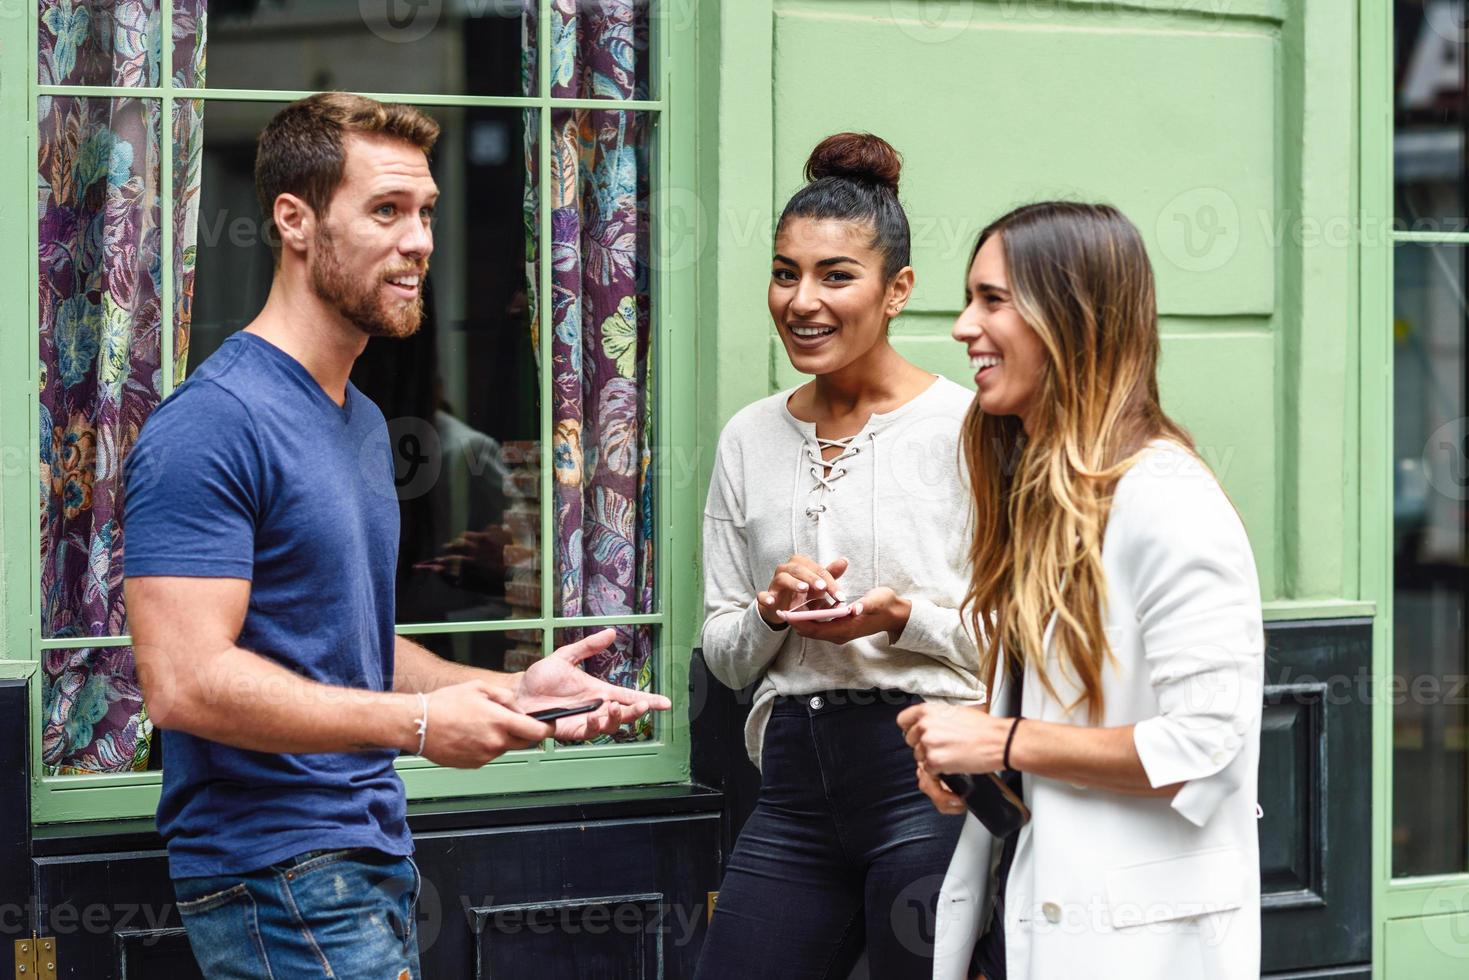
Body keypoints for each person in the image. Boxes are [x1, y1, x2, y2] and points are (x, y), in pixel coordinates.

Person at [122, 92, 670, 980]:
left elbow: (346, 646)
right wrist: (418, 726)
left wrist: (505, 692)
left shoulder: (360, 418)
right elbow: (184, 683)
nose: (418, 240)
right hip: (278, 874)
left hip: (364, 860)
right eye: (386, 211)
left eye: (425, 213)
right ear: (294, 222)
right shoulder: (212, 425)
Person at [898, 202, 1263, 979]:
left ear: (1071, 317)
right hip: (1029, 912)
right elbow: (1072, 712)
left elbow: (1207, 746)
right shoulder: (1048, 493)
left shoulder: (1167, 498)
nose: (963, 327)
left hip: (1133, 937)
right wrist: (983, 755)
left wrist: (1000, 743)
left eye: (992, 300)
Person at [694, 133, 990, 980]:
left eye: (835, 276)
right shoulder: (749, 436)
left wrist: (905, 617)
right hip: (790, 780)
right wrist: (766, 611)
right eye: (785, 272)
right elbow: (721, 653)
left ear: (896, 290)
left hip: (929, 772)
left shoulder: (970, 429)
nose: (801, 300)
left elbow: (1023, 632)